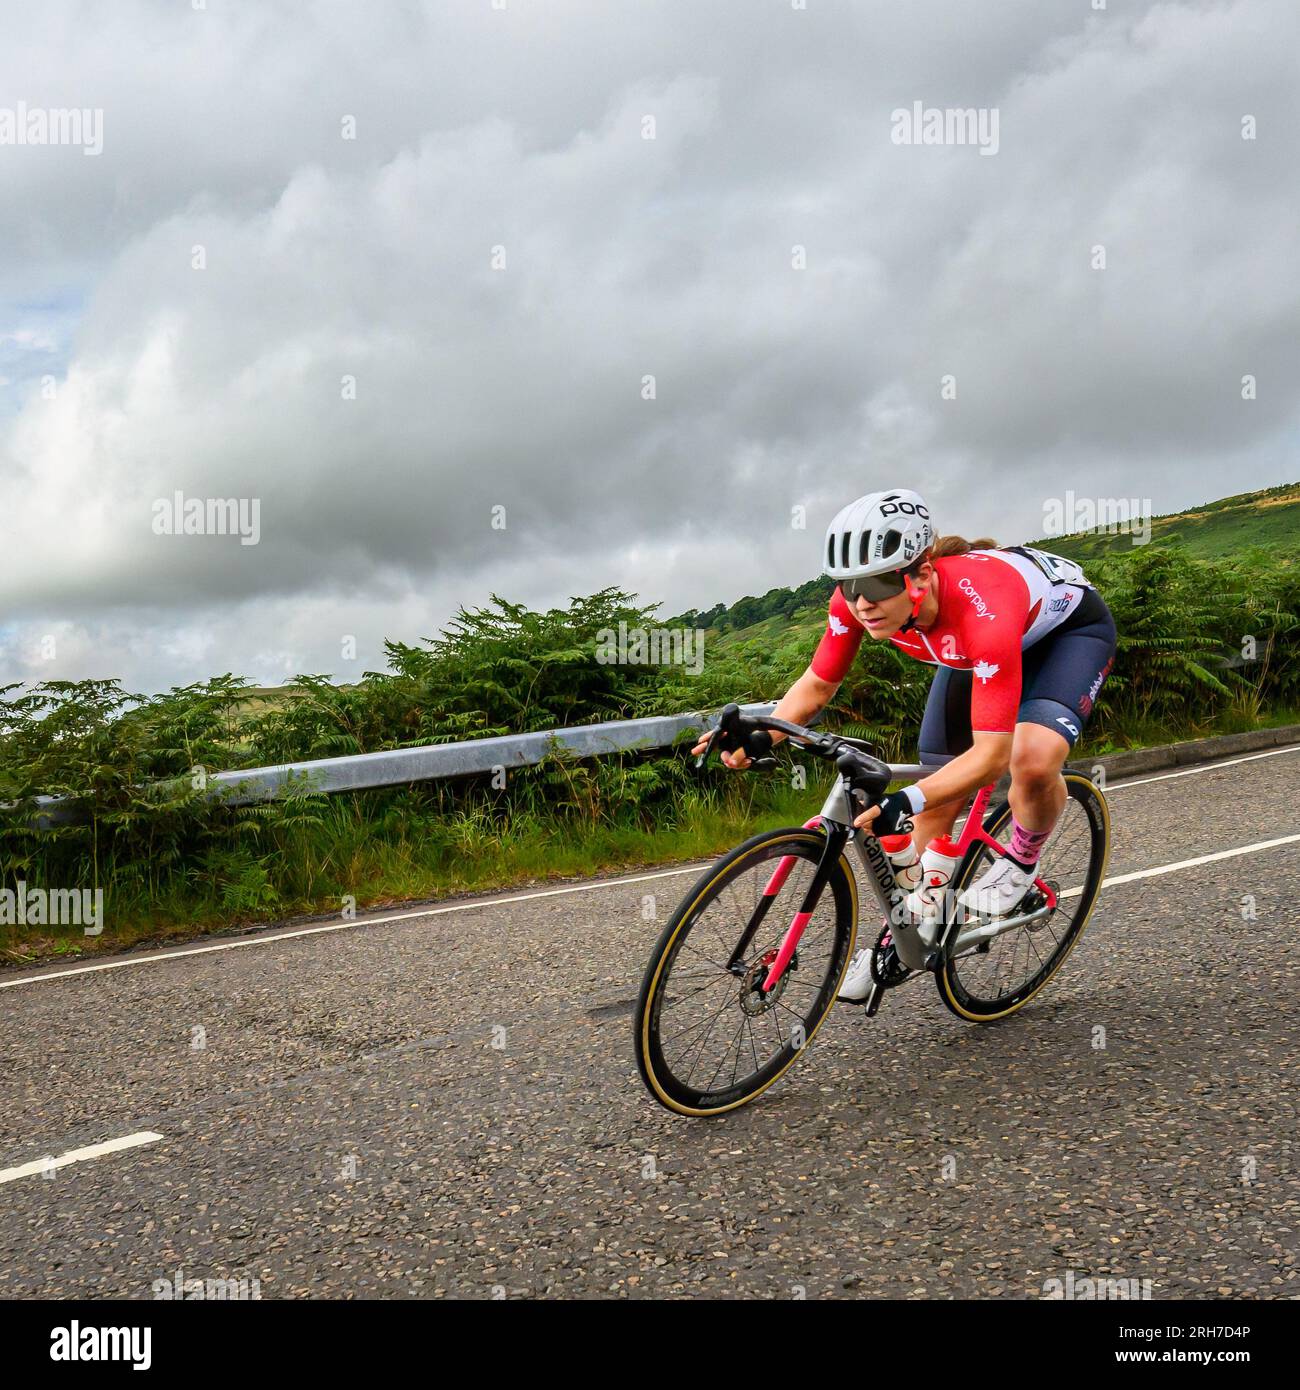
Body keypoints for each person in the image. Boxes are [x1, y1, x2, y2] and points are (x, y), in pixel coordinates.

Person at [692, 488, 1117, 1002]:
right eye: (849, 586)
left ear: (920, 576)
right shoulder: (857, 605)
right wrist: (761, 732)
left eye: (876, 583)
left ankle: (1022, 863)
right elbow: (817, 686)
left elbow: (989, 760)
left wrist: (902, 800)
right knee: (937, 787)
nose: (862, 602)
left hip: (1066, 636)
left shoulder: (983, 611)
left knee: (1029, 760)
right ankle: (915, 927)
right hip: (972, 655)